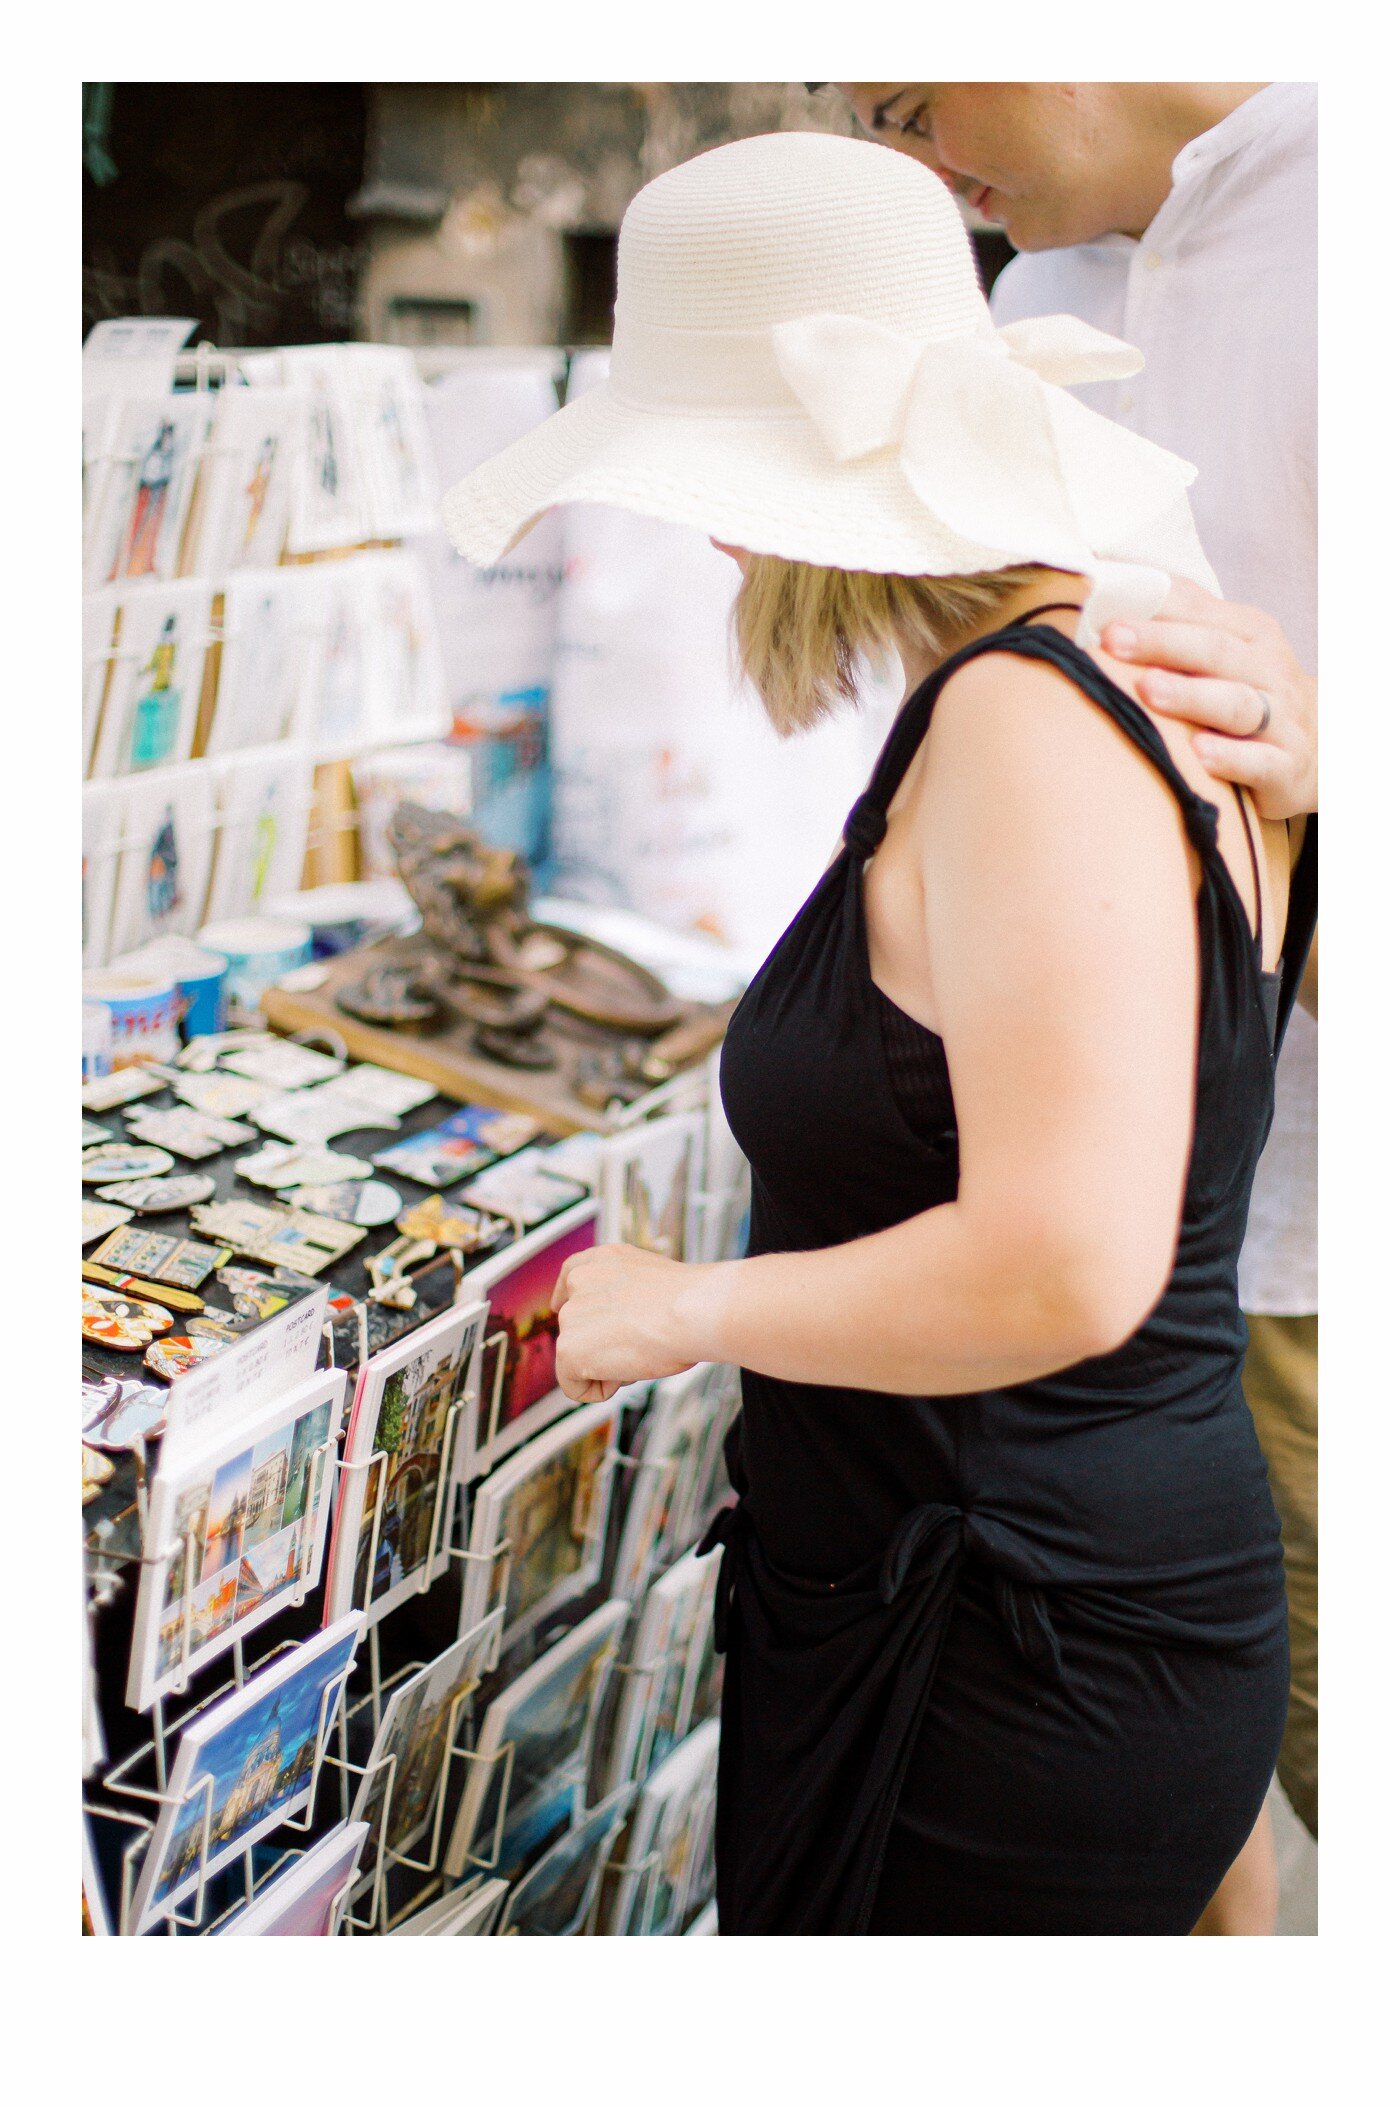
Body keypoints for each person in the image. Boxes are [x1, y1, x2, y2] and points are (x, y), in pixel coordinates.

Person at [441, 131, 1315, 1935]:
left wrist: (686, 1308)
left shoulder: (1029, 724)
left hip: (1003, 1634)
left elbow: (1071, 1267)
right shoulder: (1131, 684)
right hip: (1054, 1590)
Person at [838, 79, 1318, 1934]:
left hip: (1292, 1240)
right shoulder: (1059, 281)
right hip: (1078, 1206)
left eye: (907, 95)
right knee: (1188, 1813)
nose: (918, 165)